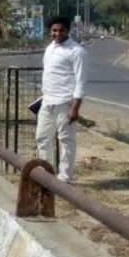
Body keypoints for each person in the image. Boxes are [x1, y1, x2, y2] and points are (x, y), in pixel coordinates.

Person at [36, 16, 87, 184]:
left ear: (68, 30)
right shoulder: (50, 48)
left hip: (65, 103)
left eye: (61, 30)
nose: (57, 33)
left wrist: (75, 108)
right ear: (50, 31)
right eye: (54, 30)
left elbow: (80, 81)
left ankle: (64, 178)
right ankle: (46, 174)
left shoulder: (76, 51)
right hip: (47, 101)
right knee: (42, 138)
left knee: (66, 141)